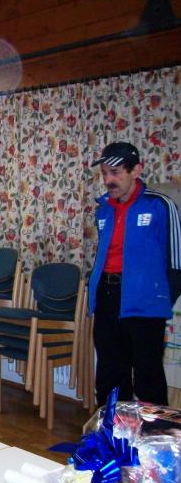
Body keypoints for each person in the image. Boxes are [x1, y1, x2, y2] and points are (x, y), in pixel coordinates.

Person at [88, 141, 181, 407]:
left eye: (116, 173)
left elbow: (177, 261)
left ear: (136, 170)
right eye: (105, 173)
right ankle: (111, 430)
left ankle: (154, 431)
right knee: (109, 374)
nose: (109, 180)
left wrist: (160, 299)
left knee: (148, 377)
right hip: (108, 297)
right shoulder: (104, 209)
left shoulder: (160, 206)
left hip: (145, 302)